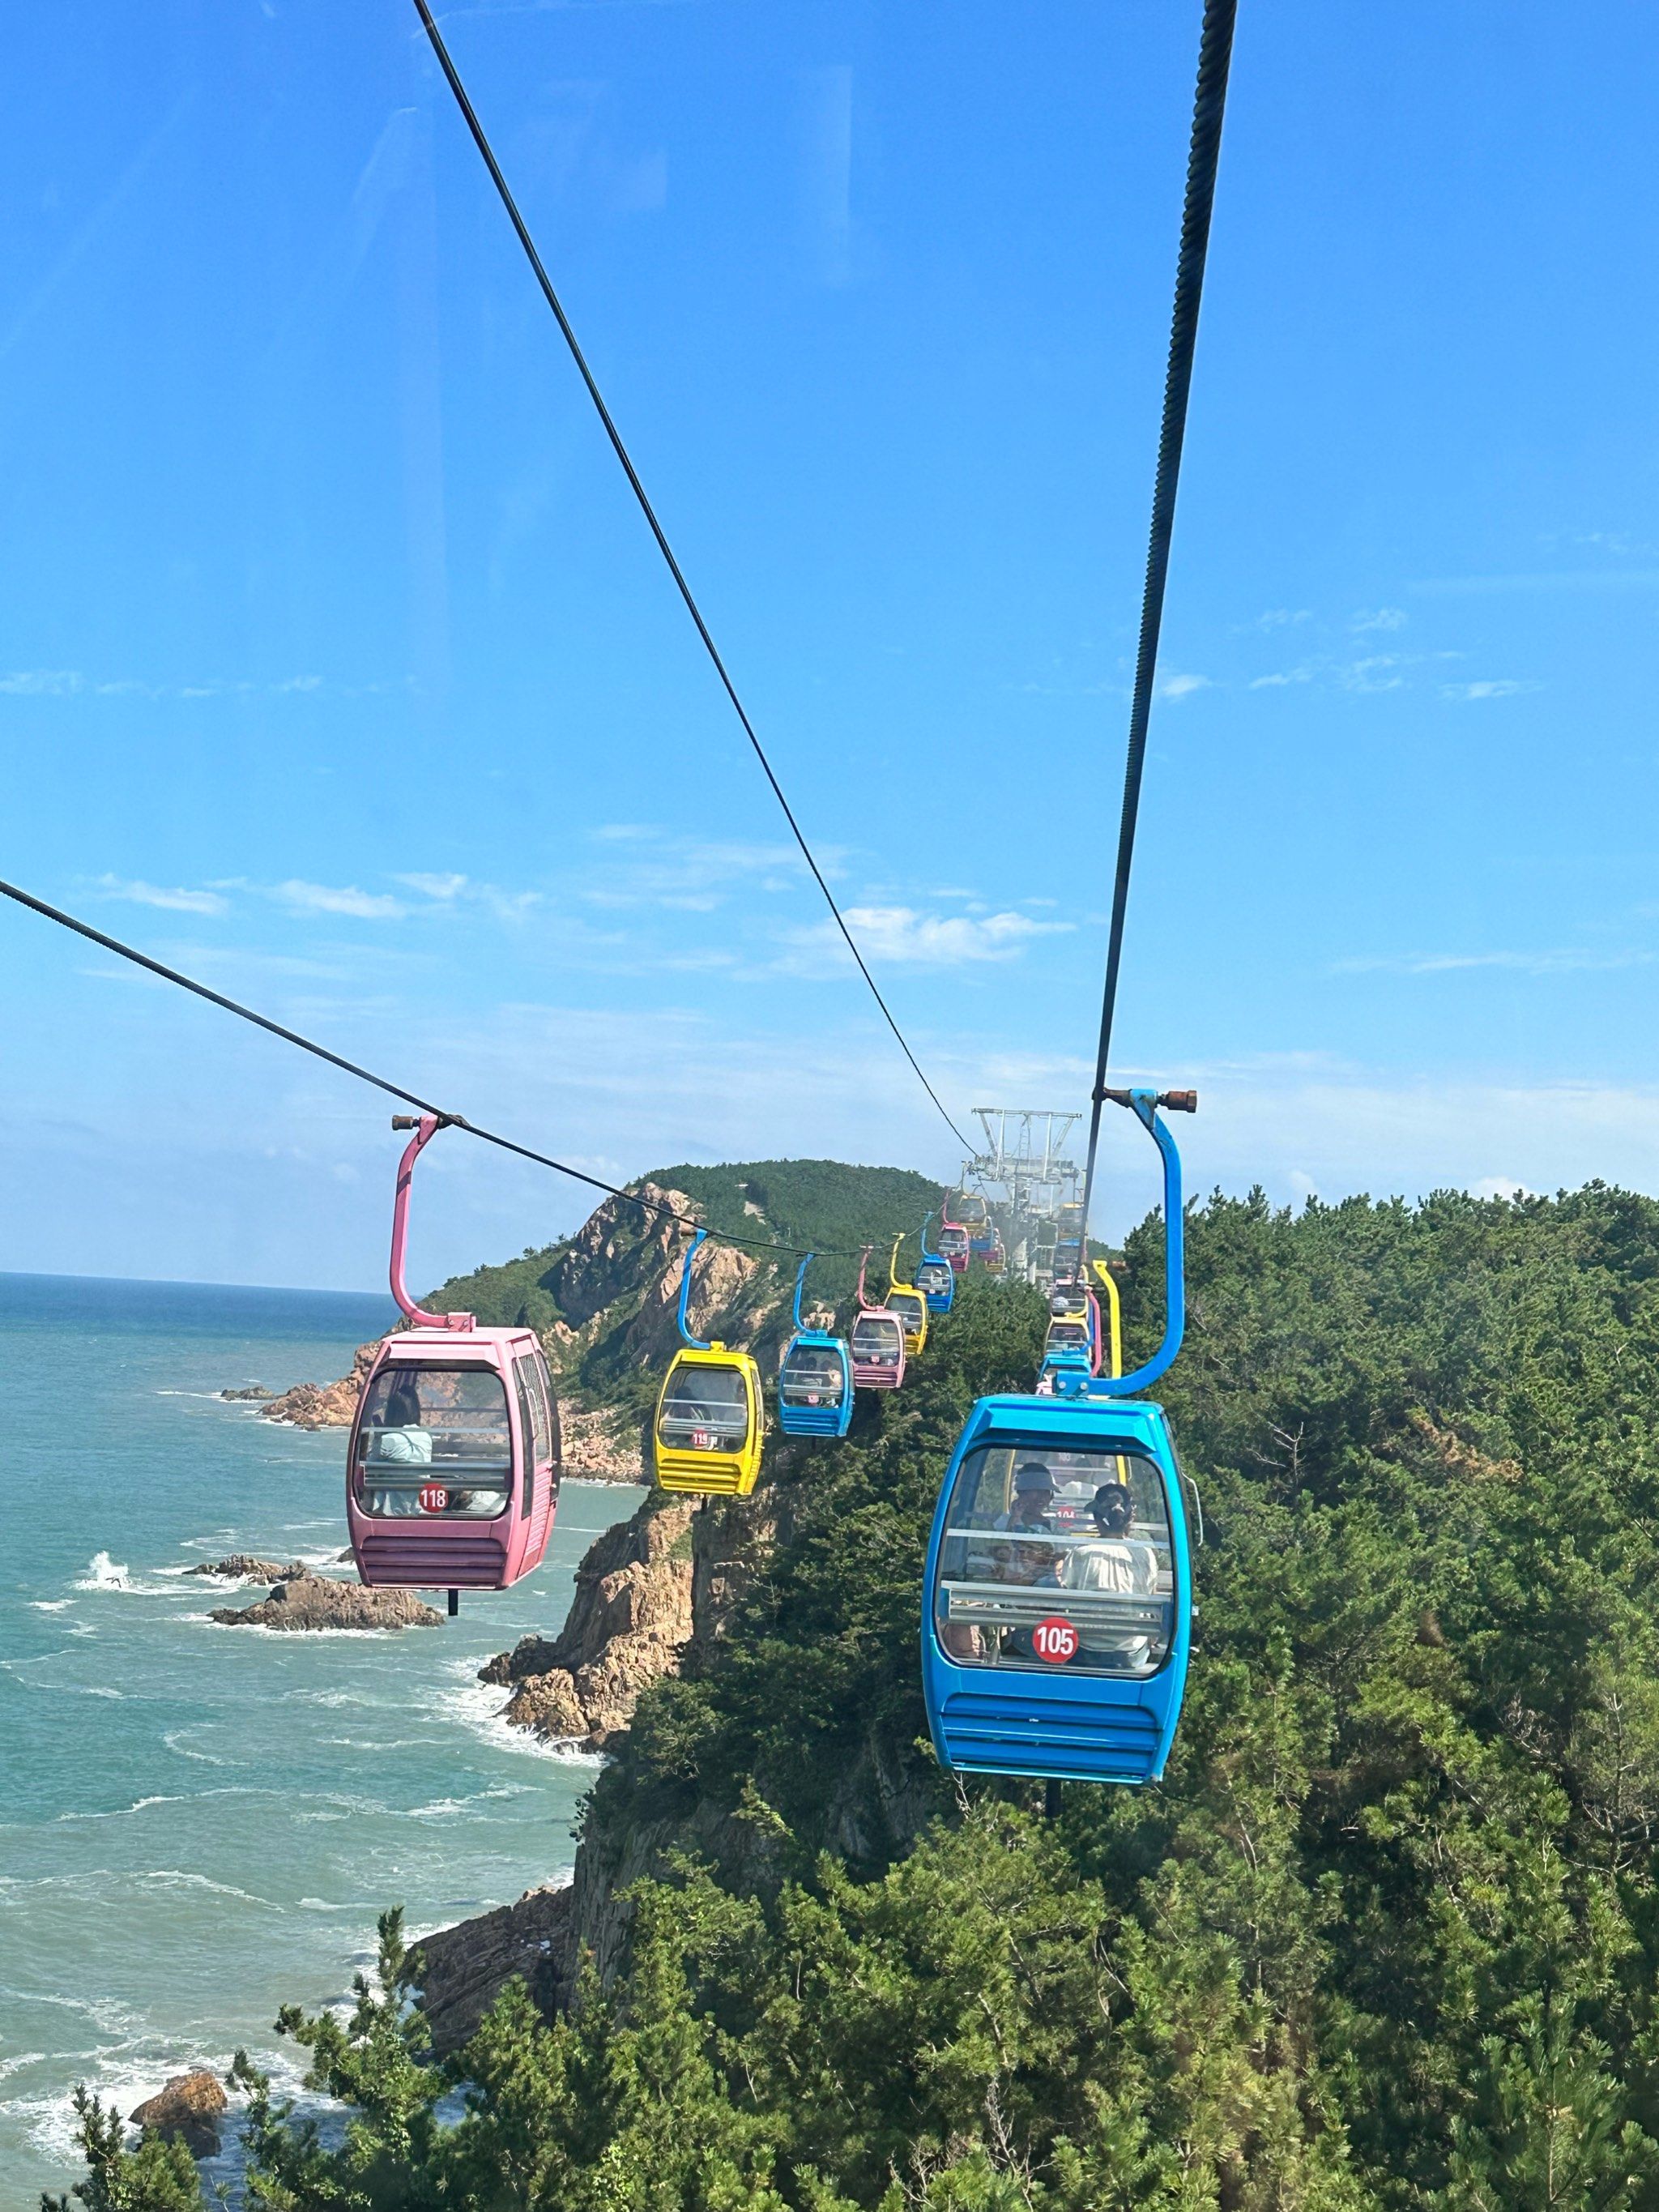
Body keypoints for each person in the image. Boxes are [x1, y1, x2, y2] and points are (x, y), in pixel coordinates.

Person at [1060, 1480, 1162, 1670]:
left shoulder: (1081, 1553)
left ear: (1097, 1519)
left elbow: (1065, 1597)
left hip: (1085, 1650)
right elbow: (1151, 1600)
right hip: (1130, 1654)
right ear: (1130, 1518)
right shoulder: (1145, 1553)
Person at [365, 1378, 433, 1516]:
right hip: (419, 1506)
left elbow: (370, 1467)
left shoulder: (389, 1440)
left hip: (392, 1509)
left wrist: (378, 1437)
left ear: (392, 1413)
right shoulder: (425, 1437)